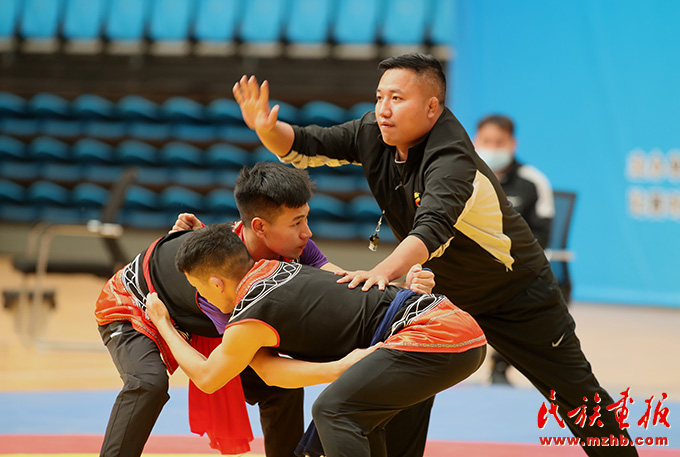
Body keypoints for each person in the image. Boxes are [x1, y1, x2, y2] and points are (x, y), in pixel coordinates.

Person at [230, 53, 638, 457]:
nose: (383, 109)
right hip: (443, 301)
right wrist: (268, 129)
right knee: (404, 395)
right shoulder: (375, 131)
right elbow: (304, 144)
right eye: (379, 97)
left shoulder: (452, 159)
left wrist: (382, 272)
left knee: (578, 400)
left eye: (396, 99)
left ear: (431, 106)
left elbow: (431, 229)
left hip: (517, 297)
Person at [95, 162, 433, 457]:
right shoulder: (219, 278)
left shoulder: (294, 246)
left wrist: (400, 291)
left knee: (282, 389)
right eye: (297, 222)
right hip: (137, 304)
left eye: (306, 219)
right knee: (148, 383)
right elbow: (217, 375)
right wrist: (340, 366)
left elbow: (344, 286)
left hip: (195, 312)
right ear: (260, 227)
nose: (308, 232)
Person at [145, 223, 487, 457]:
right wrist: (338, 368)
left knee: (333, 412)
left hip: (430, 334)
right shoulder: (280, 269)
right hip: (451, 326)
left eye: (197, 285)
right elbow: (268, 371)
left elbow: (207, 378)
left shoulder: (248, 315)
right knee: (362, 419)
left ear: (216, 283)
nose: (197, 293)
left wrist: (163, 322)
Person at [474, 114, 555, 384]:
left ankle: (500, 365)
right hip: (469, 263)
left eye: (499, 142)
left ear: (512, 143)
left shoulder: (533, 181)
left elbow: (541, 235)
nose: (492, 147)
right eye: (486, 141)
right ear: (475, 141)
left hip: (514, 267)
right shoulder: (461, 176)